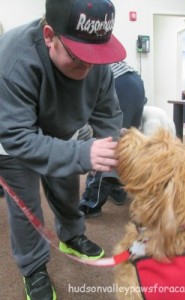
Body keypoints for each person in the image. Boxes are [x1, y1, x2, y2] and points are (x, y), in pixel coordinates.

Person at [0, 0, 126, 299]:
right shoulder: (14, 58)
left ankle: (72, 235)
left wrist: (110, 150)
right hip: (13, 136)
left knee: (67, 190)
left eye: (95, 57)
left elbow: (108, 114)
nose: (88, 65)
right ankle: (34, 268)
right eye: (78, 56)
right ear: (48, 36)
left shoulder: (96, 63)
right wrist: (82, 154)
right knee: (25, 207)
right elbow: (18, 135)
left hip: (62, 127)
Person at [79, 61, 146, 217]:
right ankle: (118, 190)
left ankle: (91, 204)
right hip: (135, 80)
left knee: (107, 145)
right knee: (123, 143)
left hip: (119, 82)